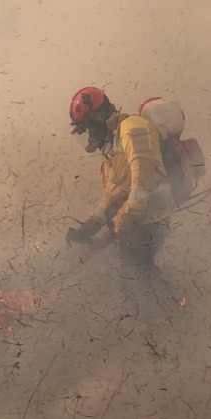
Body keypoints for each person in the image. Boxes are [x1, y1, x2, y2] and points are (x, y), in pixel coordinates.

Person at [65, 87, 174, 281]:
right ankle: (166, 306)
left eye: (87, 129)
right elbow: (113, 195)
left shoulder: (132, 128)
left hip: (150, 220)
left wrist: (127, 216)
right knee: (136, 279)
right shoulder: (113, 147)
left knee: (136, 279)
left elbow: (145, 177)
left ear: (97, 117)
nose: (89, 137)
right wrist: (88, 229)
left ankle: (173, 308)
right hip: (137, 224)